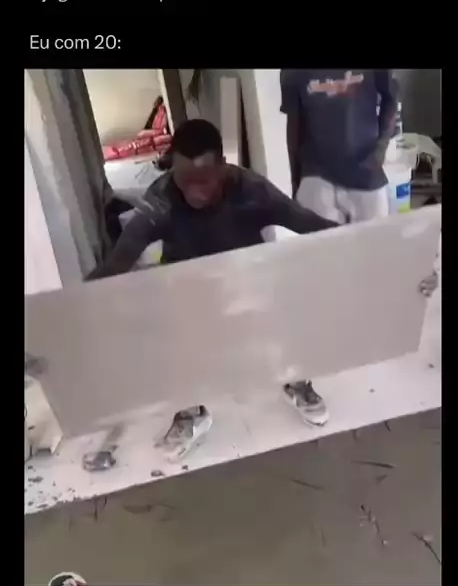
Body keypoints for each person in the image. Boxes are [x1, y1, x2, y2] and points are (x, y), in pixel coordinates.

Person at [88, 119, 337, 460]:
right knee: (169, 338)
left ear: (223, 166)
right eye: (184, 180)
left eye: (203, 181)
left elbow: (307, 222)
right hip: (186, 287)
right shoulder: (160, 201)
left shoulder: (251, 191)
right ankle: (191, 413)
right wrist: (67, 309)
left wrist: (369, 239)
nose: (193, 192)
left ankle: (297, 382)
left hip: (246, 277)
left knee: (286, 306)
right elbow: (120, 259)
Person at [280, 70, 398, 223]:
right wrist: (296, 183)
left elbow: (391, 100)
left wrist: (380, 150)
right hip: (317, 175)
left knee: (374, 237)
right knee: (322, 238)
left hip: (366, 171)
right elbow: (294, 123)